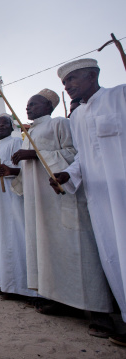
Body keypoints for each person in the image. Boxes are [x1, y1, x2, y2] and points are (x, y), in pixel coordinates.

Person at [11, 88, 113, 332]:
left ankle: (99, 312)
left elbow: (74, 154)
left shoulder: (60, 124)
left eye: (34, 104)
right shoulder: (28, 133)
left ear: (48, 105)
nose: (28, 108)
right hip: (40, 203)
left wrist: (34, 153)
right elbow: (29, 169)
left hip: (62, 198)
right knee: (49, 252)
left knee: (78, 251)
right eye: (27, 105)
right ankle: (62, 301)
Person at [50, 59, 126, 346]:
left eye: (73, 79)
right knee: (114, 256)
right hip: (101, 199)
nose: (68, 86)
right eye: (65, 83)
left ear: (93, 75)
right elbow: (83, 156)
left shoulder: (119, 96)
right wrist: (66, 175)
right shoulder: (77, 116)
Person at [0, 114, 37, 299]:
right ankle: (6, 284)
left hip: (12, 195)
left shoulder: (16, 142)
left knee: (15, 235)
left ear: (11, 126)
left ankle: (24, 286)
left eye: (4, 123)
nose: (0, 127)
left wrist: (9, 171)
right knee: (2, 238)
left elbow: (24, 168)